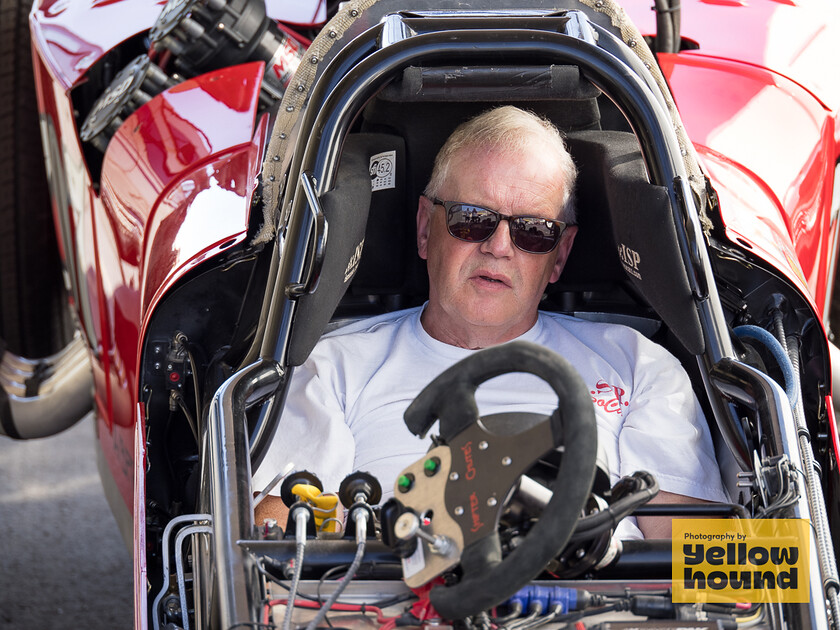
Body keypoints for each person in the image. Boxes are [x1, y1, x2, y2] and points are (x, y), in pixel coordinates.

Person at [253, 106, 727, 539]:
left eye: (532, 231)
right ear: (425, 228)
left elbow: (715, 571)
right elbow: (273, 538)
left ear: (559, 255)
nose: (499, 247)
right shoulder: (331, 366)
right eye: (472, 219)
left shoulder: (639, 363)